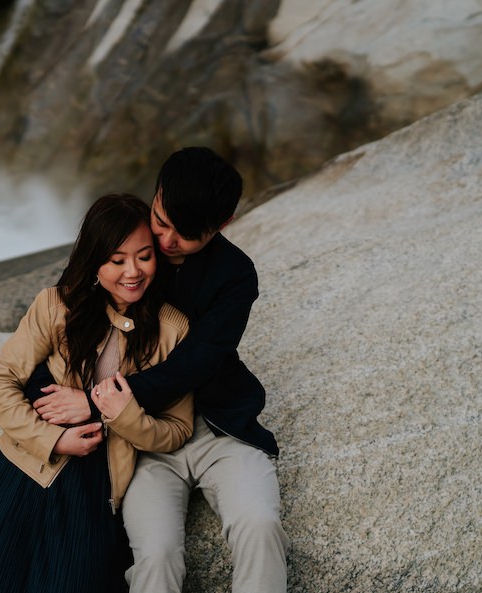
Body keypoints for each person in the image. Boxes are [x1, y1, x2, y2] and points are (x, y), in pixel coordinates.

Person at [30, 147, 290, 593]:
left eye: (187, 235)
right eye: (162, 221)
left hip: (217, 428)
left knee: (260, 523)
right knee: (154, 553)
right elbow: (65, 320)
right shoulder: (128, 240)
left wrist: (99, 399)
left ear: (222, 225)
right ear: (156, 194)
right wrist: (55, 403)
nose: (166, 242)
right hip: (140, 440)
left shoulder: (235, 275)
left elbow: (197, 362)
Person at [0, 193, 194, 593]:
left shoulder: (171, 329)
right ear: (94, 261)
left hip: (96, 491)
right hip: (24, 473)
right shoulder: (56, 305)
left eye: (144, 256)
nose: (133, 272)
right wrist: (54, 437)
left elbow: (177, 429)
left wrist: (116, 418)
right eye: (116, 260)